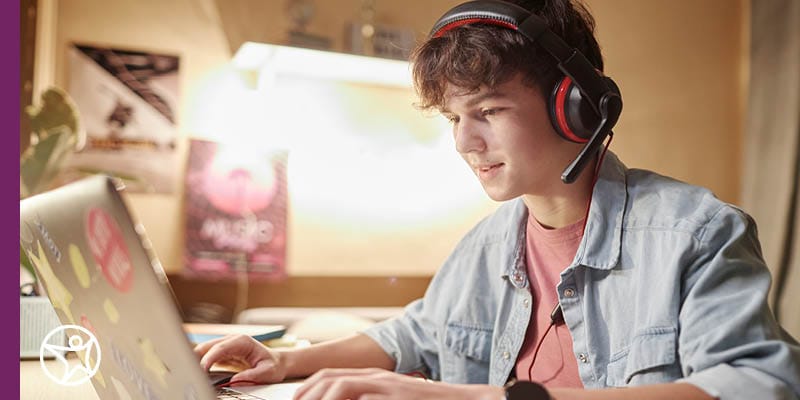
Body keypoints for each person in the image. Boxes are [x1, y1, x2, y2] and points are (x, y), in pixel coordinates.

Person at [195, 0, 800, 399]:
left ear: (575, 107)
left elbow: (757, 383)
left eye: (487, 111)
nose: (465, 142)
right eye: (454, 118)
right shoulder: (487, 244)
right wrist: (286, 362)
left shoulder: (696, 233)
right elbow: (416, 333)